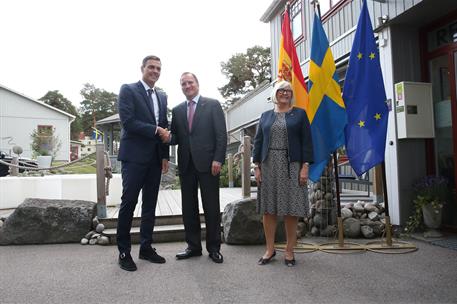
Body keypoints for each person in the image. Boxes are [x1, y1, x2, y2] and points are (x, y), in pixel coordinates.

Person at [160, 72, 227, 263]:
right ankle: (193, 246)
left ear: (197, 84)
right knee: (189, 208)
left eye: (190, 82)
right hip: (187, 164)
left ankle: (214, 248)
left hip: (209, 164)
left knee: (211, 207)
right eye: (183, 84)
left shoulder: (212, 104)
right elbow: (176, 137)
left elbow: (221, 135)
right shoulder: (178, 109)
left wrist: (218, 159)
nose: (187, 86)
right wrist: (166, 137)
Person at [116, 55, 169, 271]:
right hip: (134, 157)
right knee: (128, 203)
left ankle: (146, 247)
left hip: (155, 159)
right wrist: (155, 130)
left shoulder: (162, 96)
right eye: (151, 67)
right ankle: (123, 251)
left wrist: (165, 155)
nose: (155, 71)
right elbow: (128, 122)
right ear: (142, 68)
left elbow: (164, 124)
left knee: (149, 205)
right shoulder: (128, 90)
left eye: (158, 68)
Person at [252, 80, 313, 267]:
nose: (285, 93)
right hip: (268, 165)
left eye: (288, 91)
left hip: (292, 166)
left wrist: (305, 167)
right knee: (269, 210)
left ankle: (289, 250)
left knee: (290, 209)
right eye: (281, 90)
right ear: (274, 93)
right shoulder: (265, 116)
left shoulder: (300, 114)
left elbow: (307, 142)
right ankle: (270, 249)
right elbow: (258, 142)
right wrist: (256, 166)